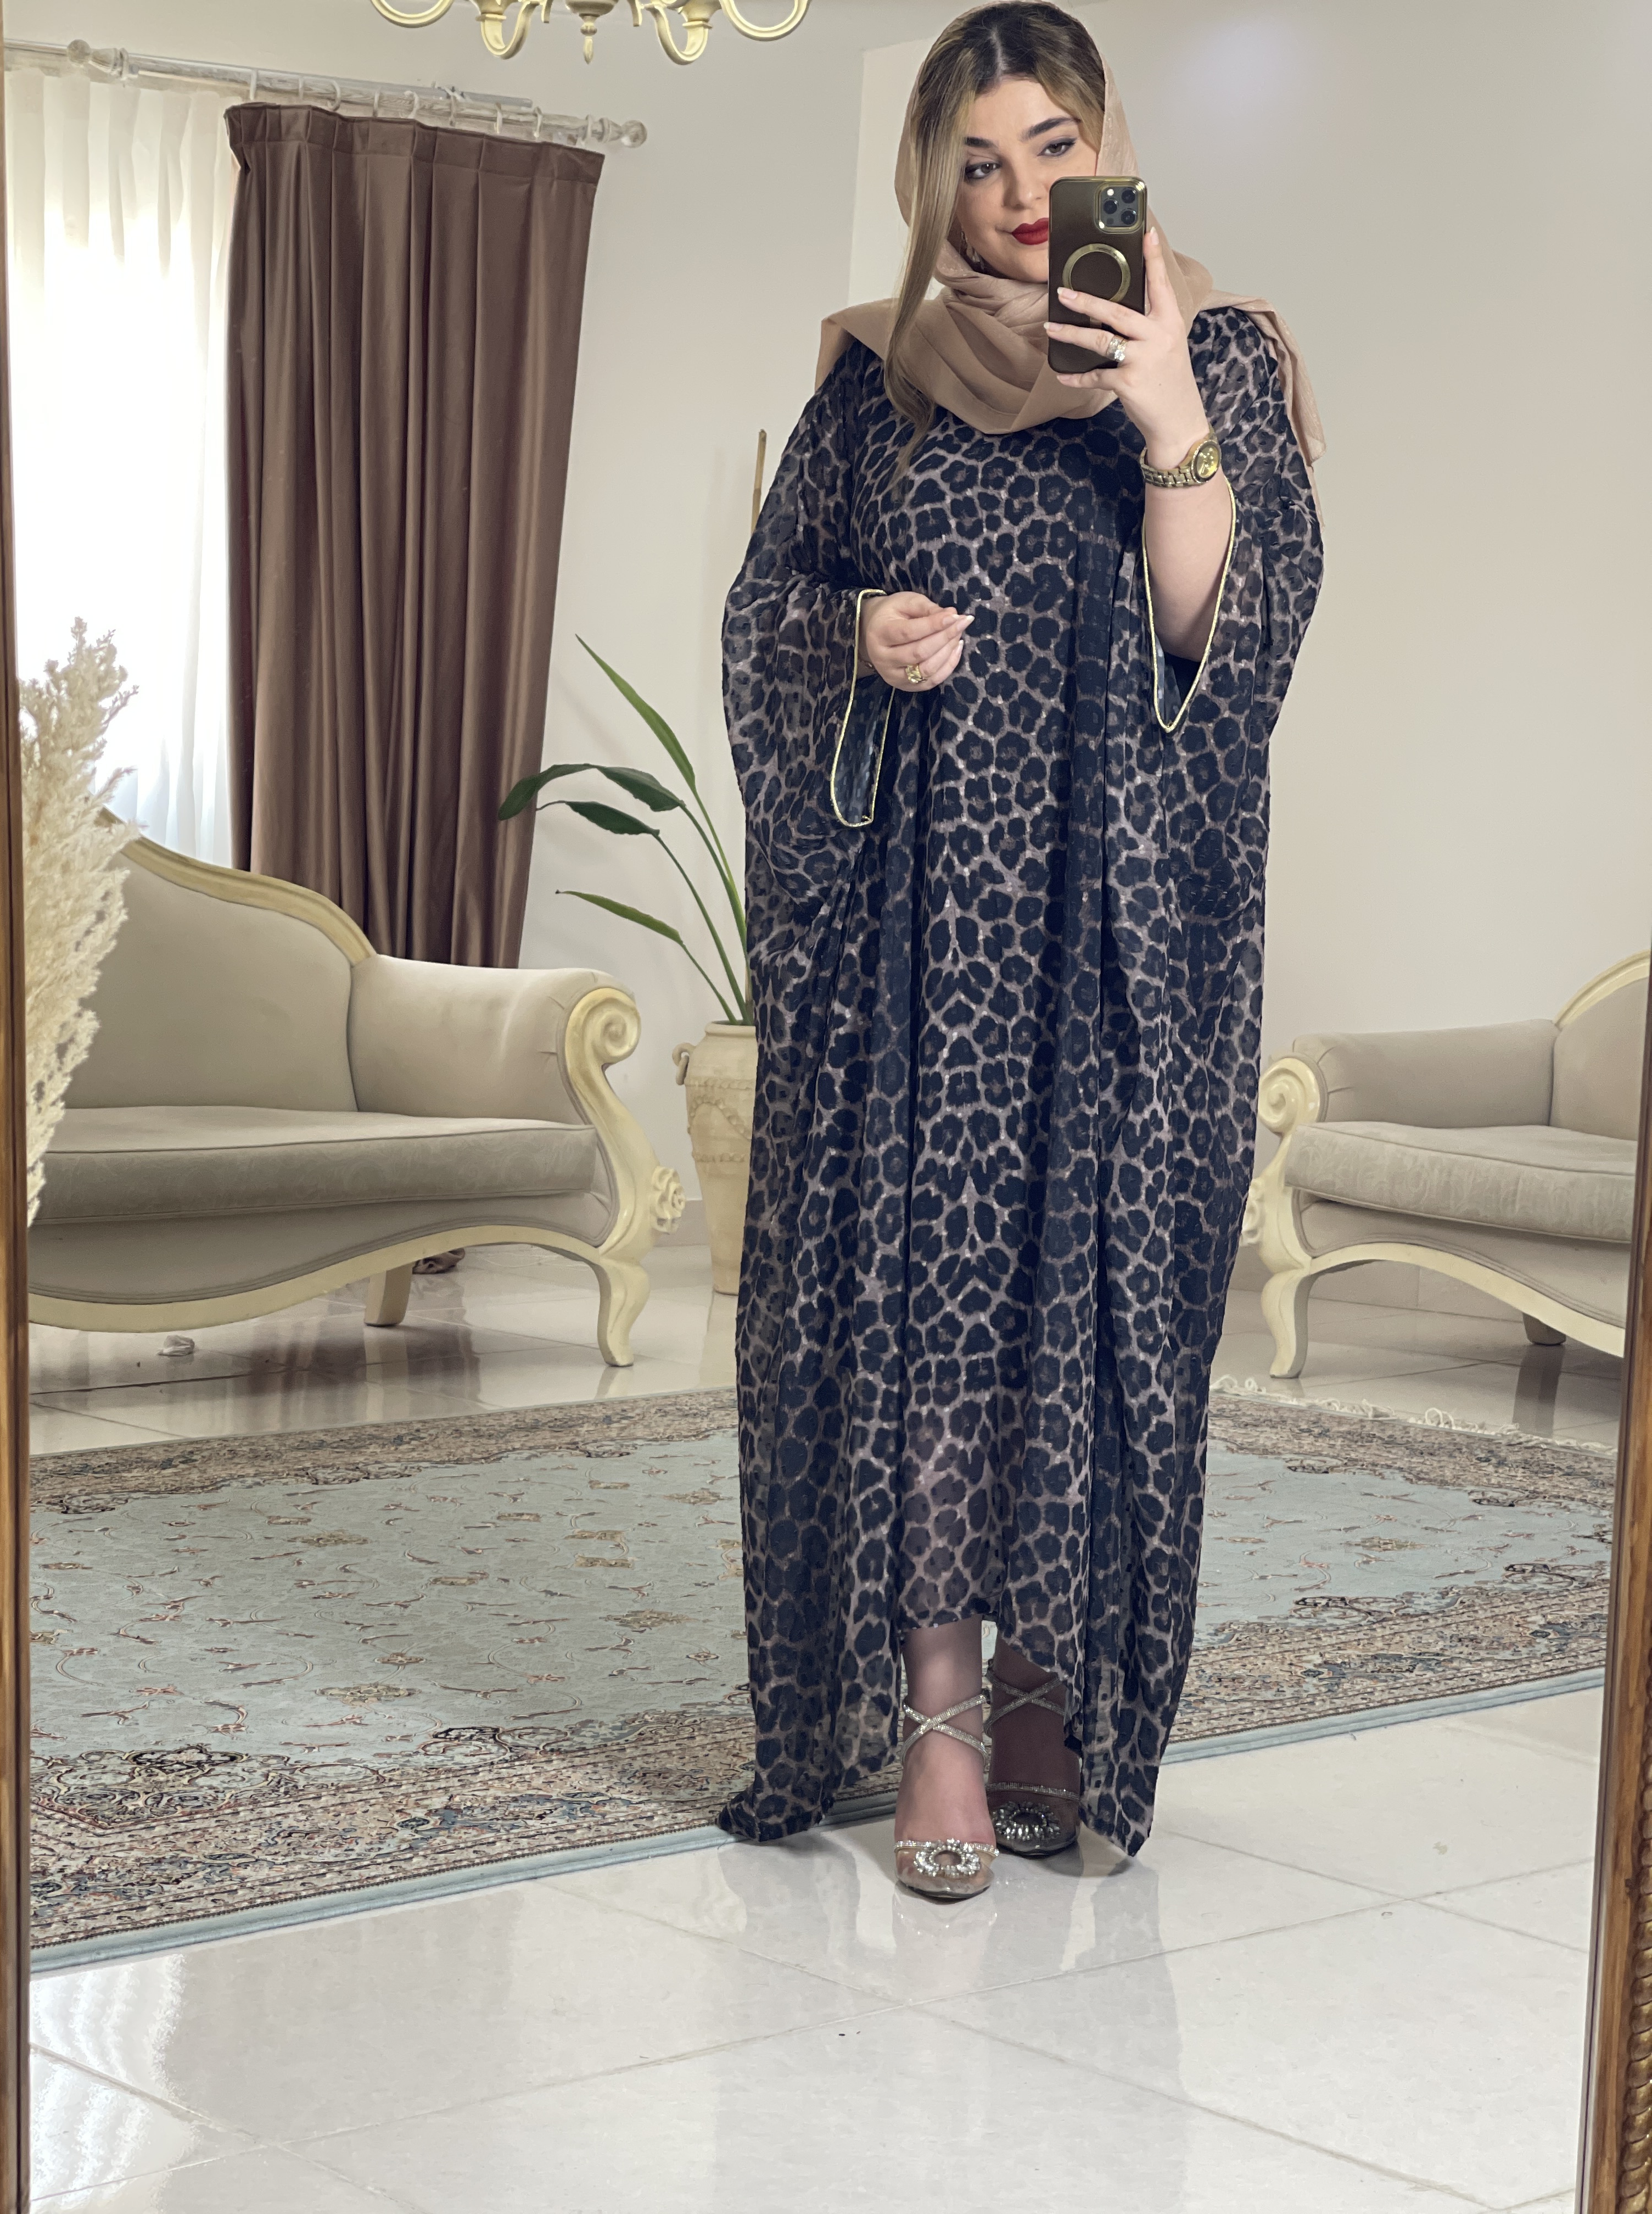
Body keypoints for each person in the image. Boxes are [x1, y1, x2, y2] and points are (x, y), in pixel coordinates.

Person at [720, 0, 1324, 1899]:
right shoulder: (879, 376)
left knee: (1099, 1306)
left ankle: (1058, 1698)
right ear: (934, 183)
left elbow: (1243, 632)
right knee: (926, 1306)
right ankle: (940, 1722)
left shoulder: (1218, 350)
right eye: (976, 164)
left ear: (1108, 143)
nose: (1015, 195)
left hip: (1127, 937)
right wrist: (862, 633)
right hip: (919, 935)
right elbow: (765, 611)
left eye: (1051, 148)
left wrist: (1168, 417)